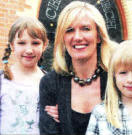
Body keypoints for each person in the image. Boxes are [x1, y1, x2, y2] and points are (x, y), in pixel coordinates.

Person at [39, 1, 117, 135]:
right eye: (69, 30)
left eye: (85, 29)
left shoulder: (116, 79)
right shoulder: (50, 83)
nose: (77, 37)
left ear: (98, 36)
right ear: (62, 38)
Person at [0, 17, 48, 135]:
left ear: (44, 45)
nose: (29, 50)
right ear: (12, 45)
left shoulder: (50, 83)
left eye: (35, 43)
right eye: (22, 43)